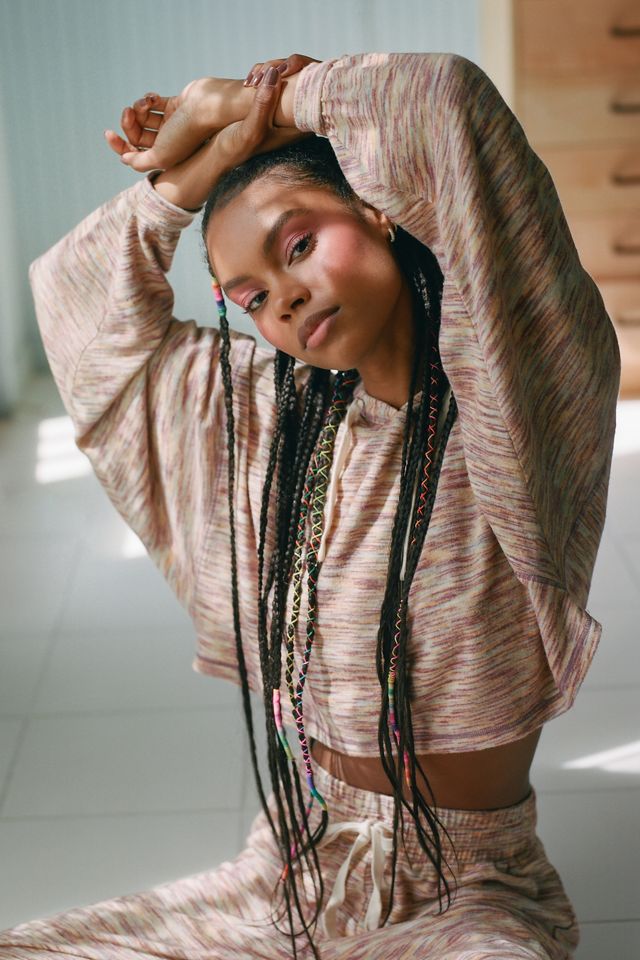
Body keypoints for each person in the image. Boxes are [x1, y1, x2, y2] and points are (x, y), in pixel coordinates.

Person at [1, 51, 620, 960]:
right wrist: (194, 174)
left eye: (297, 245)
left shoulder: (514, 396)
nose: (284, 297)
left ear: (378, 208)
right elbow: (77, 308)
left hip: (471, 893)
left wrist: (262, 103)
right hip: (294, 869)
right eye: (251, 296)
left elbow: (446, 100)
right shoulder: (268, 415)